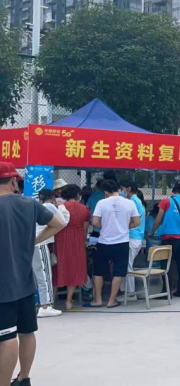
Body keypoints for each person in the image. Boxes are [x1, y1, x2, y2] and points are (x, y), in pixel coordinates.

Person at [0, 162, 66, 386]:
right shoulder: (30, 203)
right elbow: (58, 223)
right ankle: (24, 377)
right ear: (13, 181)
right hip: (26, 282)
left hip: (3, 287)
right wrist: (33, 241)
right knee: (27, 332)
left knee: (6, 337)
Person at [88, 180, 141, 308]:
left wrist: (104, 227)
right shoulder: (129, 203)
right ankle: (112, 300)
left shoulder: (101, 203)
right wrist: (125, 227)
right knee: (119, 271)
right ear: (118, 189)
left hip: (104, 242)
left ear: (105, 192)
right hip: (122, 242)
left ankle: (98, 300)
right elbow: (137, 222)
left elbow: (94, 222)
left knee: (98, 271)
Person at [148, 185, 180, 298]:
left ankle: (166, 291)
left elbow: (159, 218)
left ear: (173, 192)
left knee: (165, 264)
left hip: (169, 238)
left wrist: (152, 231)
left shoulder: (166, 201)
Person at [32, 189, 69, 317]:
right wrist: (62, 207)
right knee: (45, 275)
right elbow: (64, 221)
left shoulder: (36, 206)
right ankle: (46, 306)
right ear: (52, 198)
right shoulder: (49, 206)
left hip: (30, 244)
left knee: (36, 276)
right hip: (40, 243)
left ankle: (41, 304)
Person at [53, 185, 90, 310]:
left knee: (58, 266)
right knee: (75, 267)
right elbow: (85, 228)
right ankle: (69, 301)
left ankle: (51, 298)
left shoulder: (59, 207)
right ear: (78, 195)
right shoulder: (85, 209)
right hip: (77, 239)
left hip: (61, 238)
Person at [117, 180, 146, 298]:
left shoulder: (133, 202)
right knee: (126, 263)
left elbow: (130, 219)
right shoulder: (137, 201)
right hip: (136, 237)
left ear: (128, 189)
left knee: (127, 264)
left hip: (133, 237)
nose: (120, 191)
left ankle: (130, 292)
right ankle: (125, 290)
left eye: (122, 189)